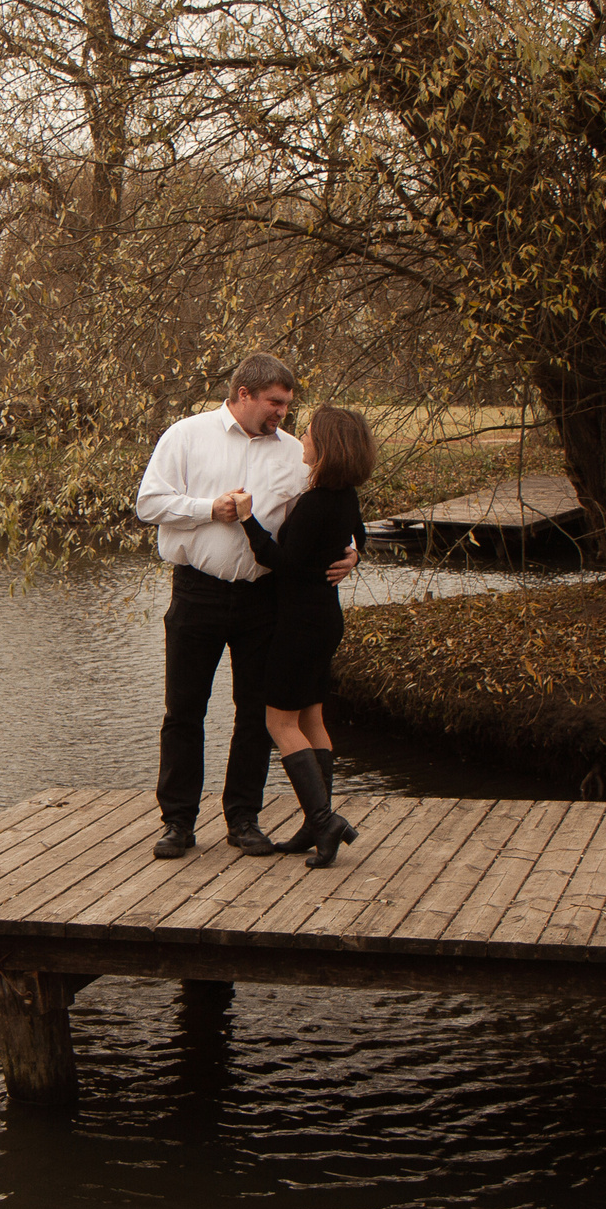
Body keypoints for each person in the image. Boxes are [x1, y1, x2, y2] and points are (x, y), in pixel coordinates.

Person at [134, 354, 355, 860]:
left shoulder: (293, 455)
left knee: (255, 713)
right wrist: (210, 508)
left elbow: (320, 519)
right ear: (242, 393)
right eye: (275, 403)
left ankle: (243, 819)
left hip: (264, 598)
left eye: (286, 404)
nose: (282, 413)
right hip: (197, 592)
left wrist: (352, 551)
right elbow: (149, 504)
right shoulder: (186, 436)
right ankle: (179, 822)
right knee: (184, 711)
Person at [242, 405, 376, 868]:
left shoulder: (319, 502)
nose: (303, 437)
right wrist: (354, 556)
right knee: (312, 718)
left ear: (329, 445)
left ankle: (324, 820)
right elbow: (358, 536)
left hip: (299, 625)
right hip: (324, 620)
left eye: (311, 432)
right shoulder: (345, 496)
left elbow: (283, 562)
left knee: (279, 723)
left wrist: (246, 520)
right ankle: (312, 823)